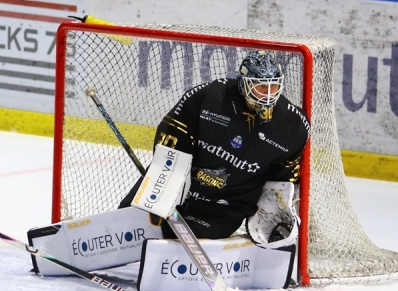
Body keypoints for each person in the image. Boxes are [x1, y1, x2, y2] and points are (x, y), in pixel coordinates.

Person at [121, 50, 310, 241]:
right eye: (260, 87)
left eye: (273, 86)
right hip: (180, 186)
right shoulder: (211, 97)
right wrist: (168, 183)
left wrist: (272, 207)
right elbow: (172, 134)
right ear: (244, 84)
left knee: (183, 238)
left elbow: (282, 178)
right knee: (123, 223)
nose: (268, 94)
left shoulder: (293, 126)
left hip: (227, 205)